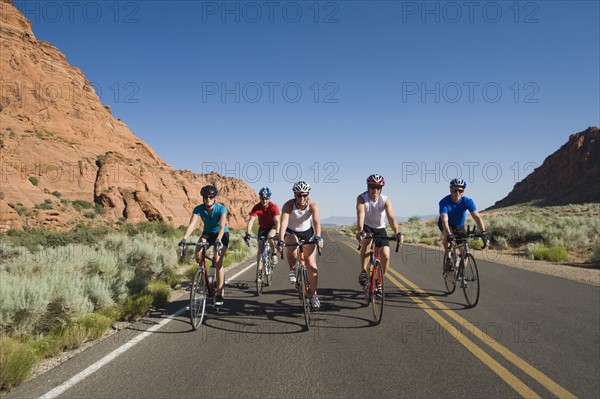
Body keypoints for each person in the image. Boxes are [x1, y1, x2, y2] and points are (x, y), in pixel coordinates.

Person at [179, 184, 229, 306]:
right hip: (207, 233)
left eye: (211, 196)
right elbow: (191, 225)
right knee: (198, 252)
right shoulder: (198, 209)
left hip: (221, 234)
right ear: (202, 198)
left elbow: (222, 227)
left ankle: (219, 293)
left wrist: (218, 240)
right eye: (206, 196)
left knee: (218, 260)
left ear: (214, 197)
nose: (208, 199)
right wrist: (184, 239)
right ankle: (203, 273)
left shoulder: (221, 209)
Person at [277, 180, 324, 310]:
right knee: (292, 248)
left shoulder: (313, 205)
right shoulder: (288, 205)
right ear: (295, 195)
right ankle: (292, 269)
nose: (302, 198)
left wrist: (319, 237)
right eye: (299, 195)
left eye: (304, 195)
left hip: (307, 232)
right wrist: (280, 240)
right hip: (291, 231)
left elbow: (316, 223)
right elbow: (283, 224)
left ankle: (314, 296)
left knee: (312, 266)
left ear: (308, 194)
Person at [356, 174, 403, 291]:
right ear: (368, 187)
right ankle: (363, 271)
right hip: (367, 227)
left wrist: (397, 232)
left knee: (386, 255)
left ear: (381, 189)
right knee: (367, 242)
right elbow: (360, 216)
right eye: (372, 187)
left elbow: (391, 217)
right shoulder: (362, 198)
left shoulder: (385, 200)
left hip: (380, 228)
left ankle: (379, 281)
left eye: (378, 188)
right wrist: (360, 231)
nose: (375, 190)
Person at [439, 178, 490, 271]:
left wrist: (483, 232)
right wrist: (449, 235)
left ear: (463, 191)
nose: (457, 193)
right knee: (448, 236)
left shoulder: (468, 201)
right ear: (450, 190)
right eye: (455, 190)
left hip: (459, 225)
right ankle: (449, 258)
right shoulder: (444, 202)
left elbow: (477, 217)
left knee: (464, 251)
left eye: (460, 190)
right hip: (446, 223)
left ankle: (460, 272)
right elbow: (444, 220)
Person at [244, 187, 281, 282]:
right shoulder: (256, 207)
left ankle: (273, 254)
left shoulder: (274, 207)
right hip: (263, 228)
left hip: (273, 227)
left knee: (270, 237)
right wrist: (248, 233)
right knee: (260, 253)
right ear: (259, 198)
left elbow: (277, 221)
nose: (264, 200)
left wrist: (277, 233)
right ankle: (259, 274)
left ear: (270, 198)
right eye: (262, 198)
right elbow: (251, 220)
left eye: (266, 198)